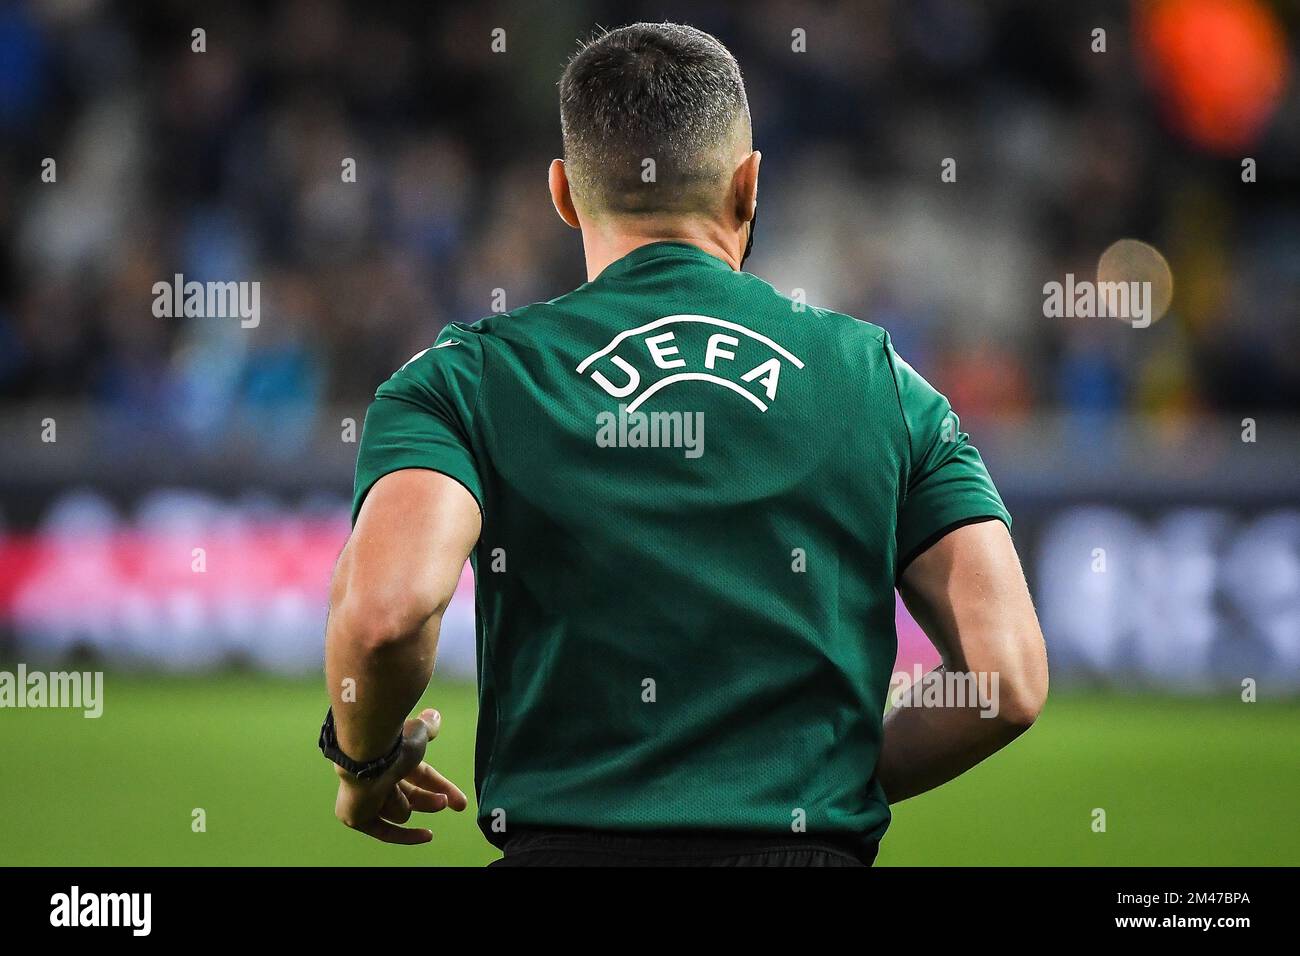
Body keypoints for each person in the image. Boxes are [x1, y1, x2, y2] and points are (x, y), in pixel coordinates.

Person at [320, 22, 1048, 867]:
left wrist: (363, 759)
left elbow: (384, 616)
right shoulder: (881, 382)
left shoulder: (465, 379)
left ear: (562, 192)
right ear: (749, 186)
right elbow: (1006, 681)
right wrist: (808, 781)